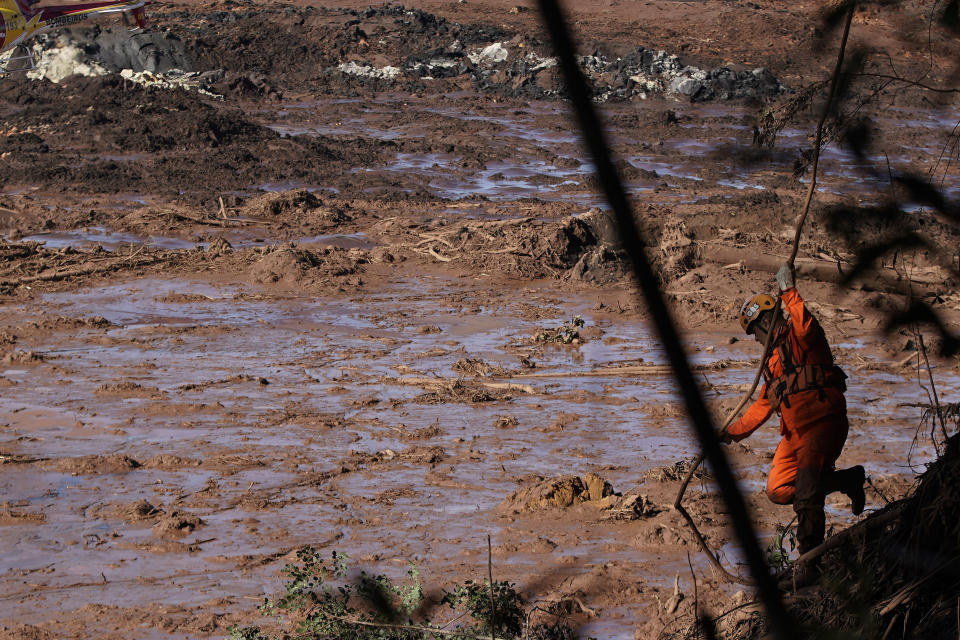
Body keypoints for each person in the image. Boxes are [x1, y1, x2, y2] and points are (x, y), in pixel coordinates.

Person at [722, 263, 866, 563]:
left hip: (824, 422)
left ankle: (809, 557)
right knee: (777, 489)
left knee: (806, 490)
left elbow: (803, 322)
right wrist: (730, 432)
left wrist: (789, 292)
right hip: (795, 434)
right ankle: (847, 481)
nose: (757, 340)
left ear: (768, 321)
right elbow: (763, 406)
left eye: (756, 331)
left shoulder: (802, 336)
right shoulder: (772, 364)